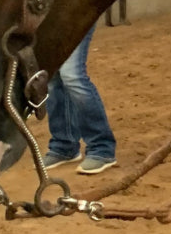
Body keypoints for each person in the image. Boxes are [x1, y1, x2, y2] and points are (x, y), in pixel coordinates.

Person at [42, 24, 118, 174]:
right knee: (52, 76)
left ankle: (102, 148)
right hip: (50, 15)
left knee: (72, 75)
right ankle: (64, 145)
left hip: (77, 9)